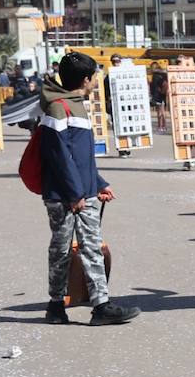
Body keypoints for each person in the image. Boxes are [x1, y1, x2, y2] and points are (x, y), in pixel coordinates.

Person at [39, 52, 138, 326]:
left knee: (86, 247)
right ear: (86, 79)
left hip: (77, 192)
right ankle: (71, 305)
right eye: (94, 76)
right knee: (67, 250)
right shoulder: (60, 108)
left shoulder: (70, 105)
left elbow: (81, 157)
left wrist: (99, 184)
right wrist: (75, 194)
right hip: (68, 196)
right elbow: (59, 157)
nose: (96, 80)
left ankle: (81, 306)